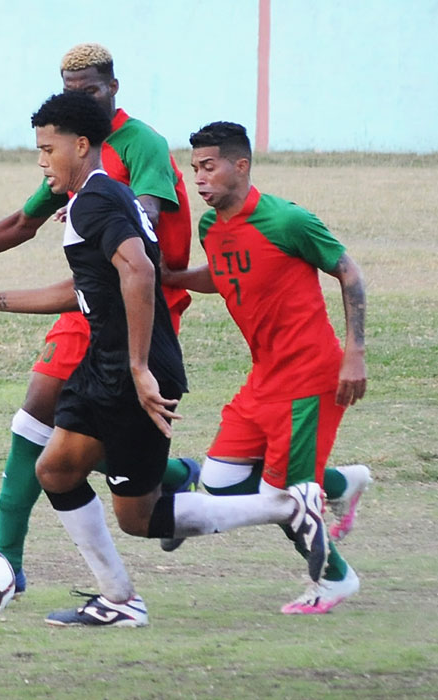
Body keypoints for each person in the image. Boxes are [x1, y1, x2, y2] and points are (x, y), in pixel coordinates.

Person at [0, 91, 328, 628]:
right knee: (57, 469)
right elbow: (92, 287)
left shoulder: (96, 201)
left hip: (126, 368)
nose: (41, 161)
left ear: (80, 145)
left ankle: (283, 507)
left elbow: (140, 272)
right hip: (109, 364)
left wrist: (139, 368)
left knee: (138, 517)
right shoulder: (106, 195)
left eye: (48, 149)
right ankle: (118, 598)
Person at [0, 43, 199, 588]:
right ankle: (20, 563)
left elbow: (143, 227)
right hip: (86, 297)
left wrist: (95, 204)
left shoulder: (136, 146)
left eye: (89, 89)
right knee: (47, 435)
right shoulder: (67, 157)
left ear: (113, 87)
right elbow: (21, 222)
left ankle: (14, 565)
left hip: (136, 309)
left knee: (50, 429)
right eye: (70, 90)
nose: (79, 98)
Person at [161, 121, 369, 614]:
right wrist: (166, 276)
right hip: (263, 379)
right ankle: (339, 483)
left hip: (311, 378)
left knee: (283, 500)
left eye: (209, 167)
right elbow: (224, 272)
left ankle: (337, 579)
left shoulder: (286, 220)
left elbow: (349, 271)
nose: (200, 178)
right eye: (195, 169)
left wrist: (355, 353)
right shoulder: (211, 227)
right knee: (219, 483)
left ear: (241, 165)